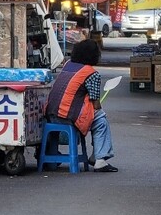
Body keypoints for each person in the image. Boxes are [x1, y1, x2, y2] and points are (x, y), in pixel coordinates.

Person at [45, 39, 117, 172]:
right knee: (101, 118)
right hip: (67, 116)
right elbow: (95, 103)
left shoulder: (68, 65)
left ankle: (52, 156)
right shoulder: (91, 73)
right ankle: (100, 159)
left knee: (97, 117)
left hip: (51, 113)